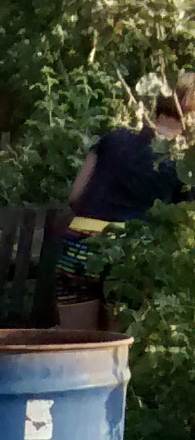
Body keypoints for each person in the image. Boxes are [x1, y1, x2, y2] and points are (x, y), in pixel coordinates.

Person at [56, 78, 194, 328]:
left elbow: (75, 196)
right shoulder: (185, 162)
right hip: (129, 250)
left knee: (74, 341)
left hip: (79, 243)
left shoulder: (115, 137)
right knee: (118, 344)